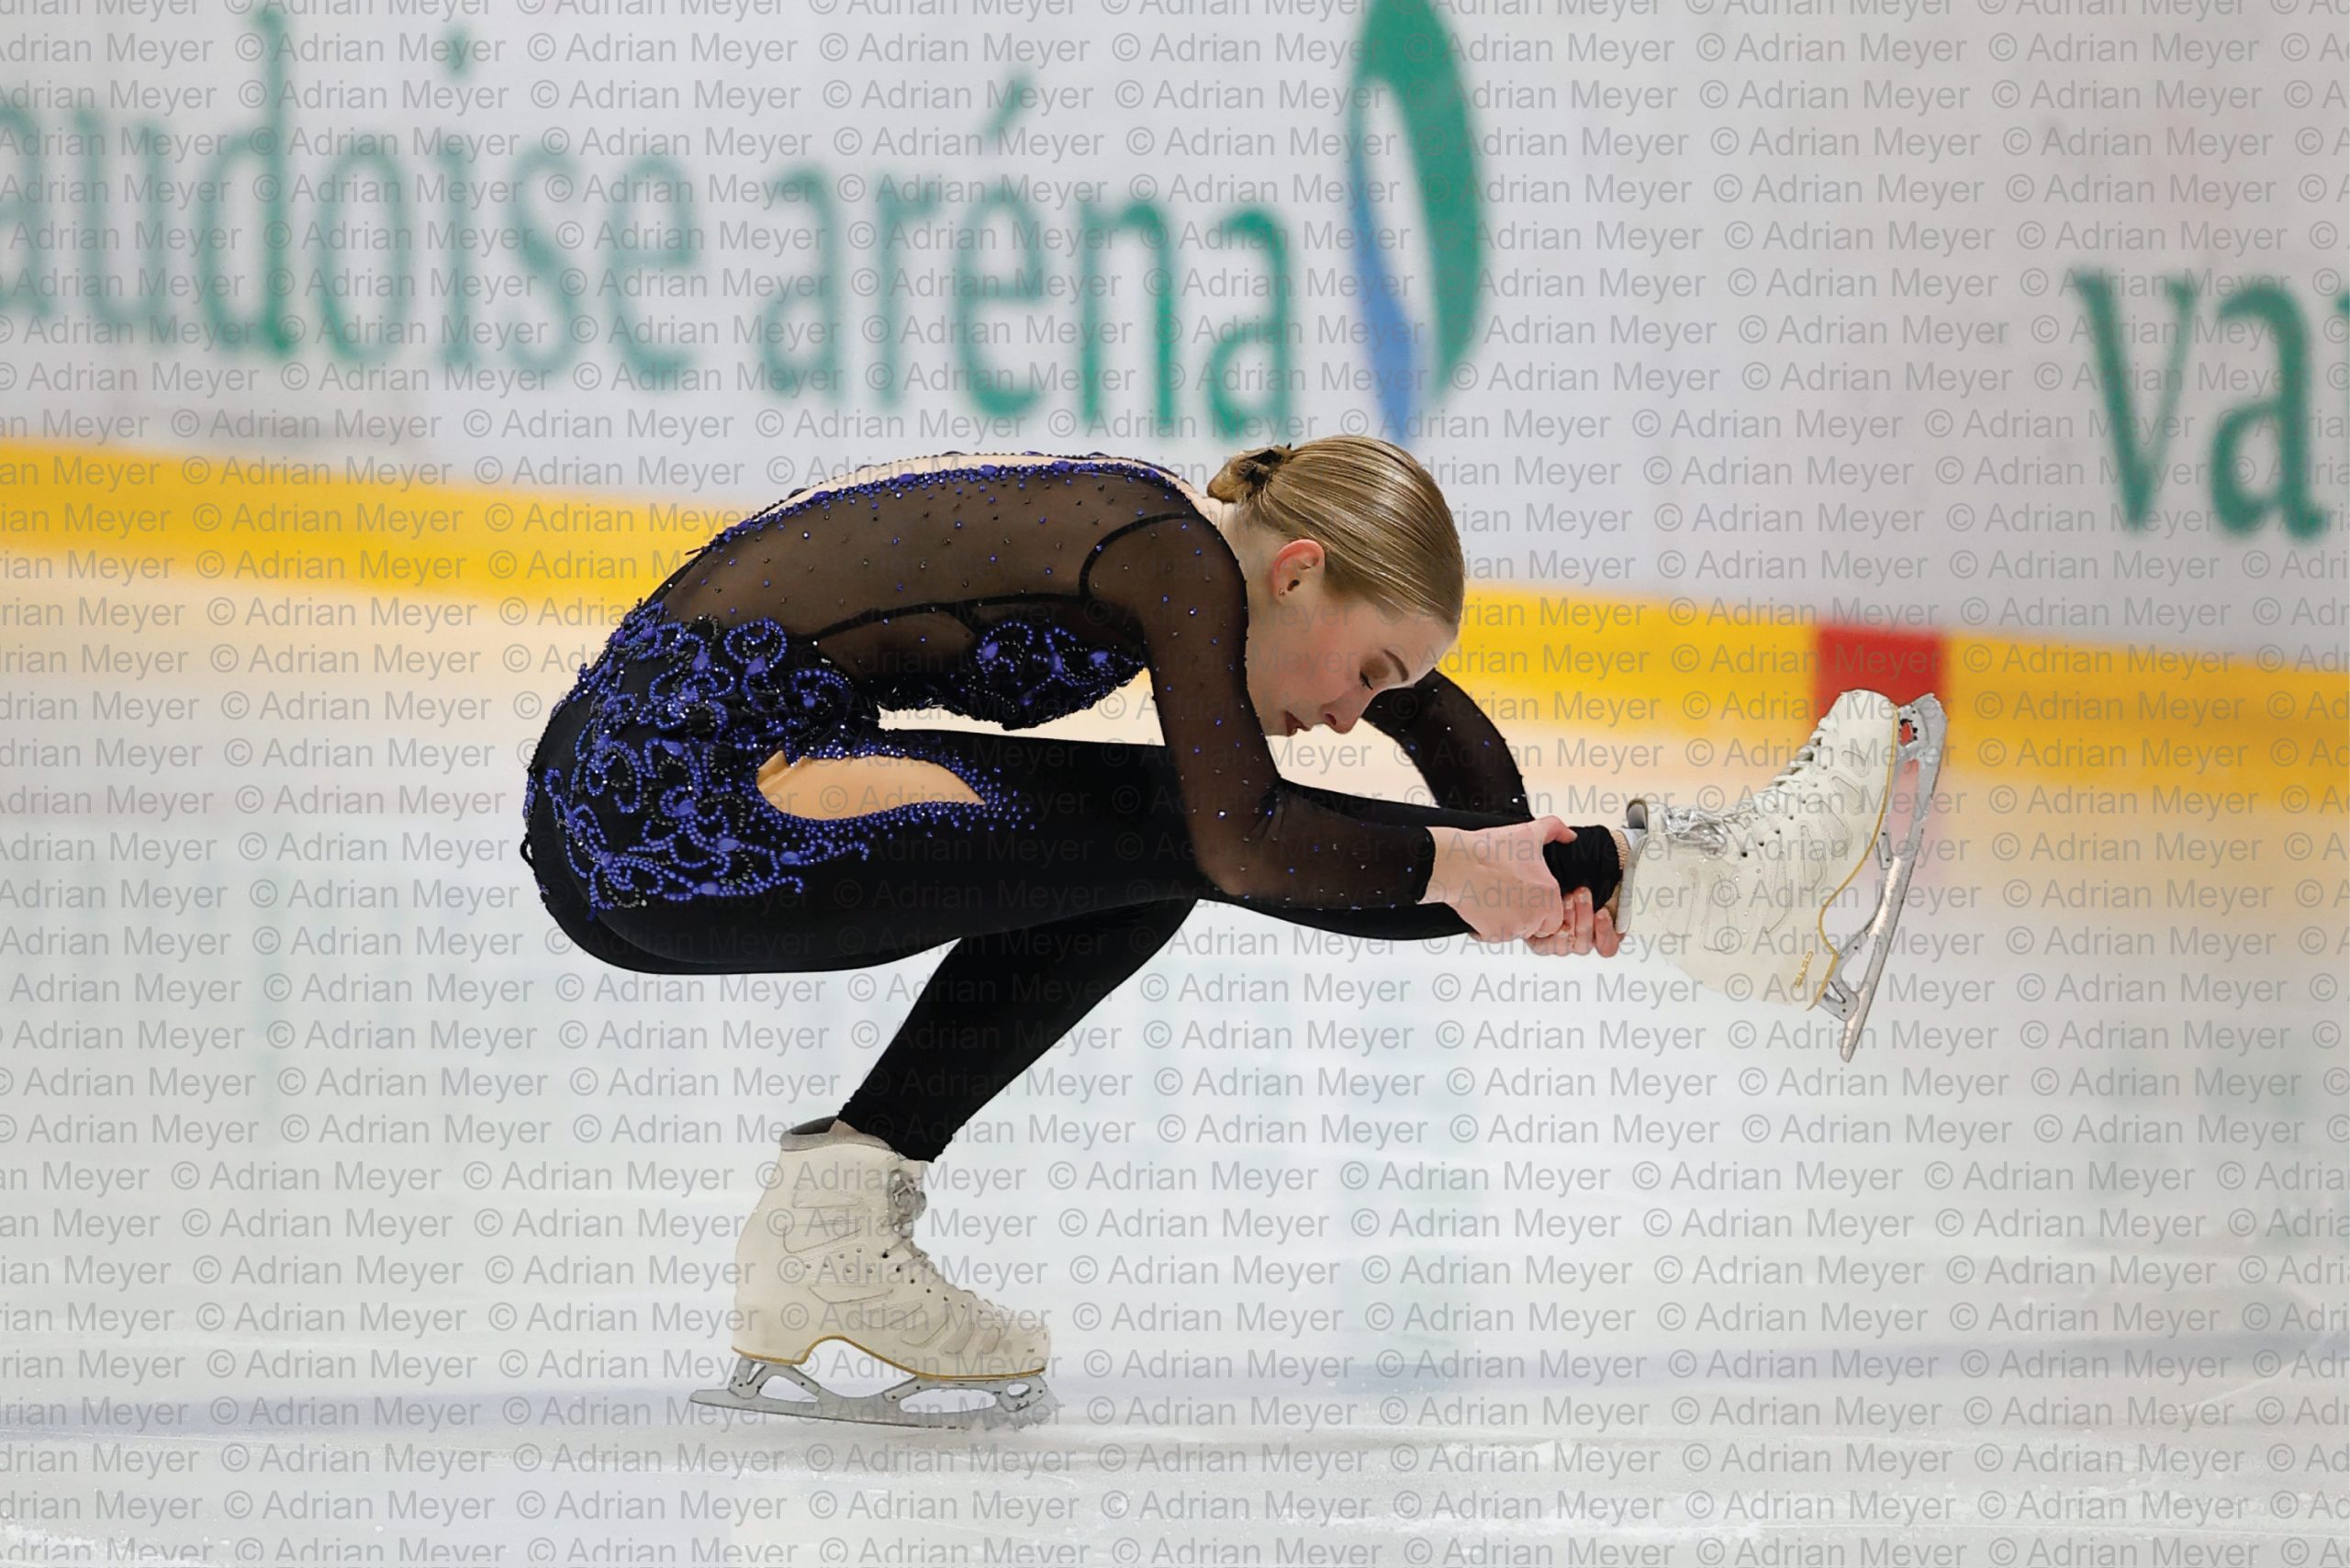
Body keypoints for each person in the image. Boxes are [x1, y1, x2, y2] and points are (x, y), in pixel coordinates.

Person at [518, 440, 1943, 1429]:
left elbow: (1466, 816)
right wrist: (1521, 873)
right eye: (1367, 671)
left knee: (1152, 854)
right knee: (1191, 831)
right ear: (1300, 568)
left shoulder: (1202, 564)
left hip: (651, 801)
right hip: (658, 811)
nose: (1354, 710)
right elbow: (1254, 841)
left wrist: (1530, 876)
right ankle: (1717, 896)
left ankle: (829, 1227)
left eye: (1383, 689)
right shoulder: (1173, 563)